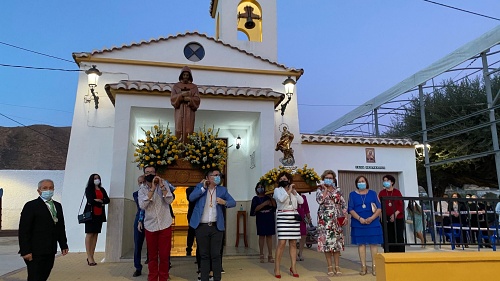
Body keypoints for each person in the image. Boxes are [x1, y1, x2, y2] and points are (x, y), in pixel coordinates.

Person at [189, 169, 236, 281]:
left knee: (216, 255)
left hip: (216, 227)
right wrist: (203, 188)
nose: (217, 177)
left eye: (218, 175)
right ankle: (204, 278)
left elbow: (233, 202)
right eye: (215, 175)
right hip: (201, 226)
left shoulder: (222, 190)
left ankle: (217, 278)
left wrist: (224, 202)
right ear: (208, 177)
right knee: (204, 255)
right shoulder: (200, 187)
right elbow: (191, 198)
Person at [18, 179, 69, 281]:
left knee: (44, 275)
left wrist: (63, 244)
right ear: (39, 191)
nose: (48, 190)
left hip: (50, 249)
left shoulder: (57, 206)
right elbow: (24, 230)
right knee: (35, 277)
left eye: (50, 188)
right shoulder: (31, 206)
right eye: (45, 188)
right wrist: (25, 251)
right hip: (35, 250)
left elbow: (60, 227)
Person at [138, 166, 175, 281]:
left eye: (152, 172)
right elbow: (143, 206)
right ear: (144, 175)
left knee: (164, 255)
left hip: (165, 224)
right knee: (152, 256)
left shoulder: (164, 185)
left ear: (156, 174)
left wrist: (162, 186)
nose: (150, 174)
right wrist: (152, 189)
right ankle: (153, 278)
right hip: (150, 225)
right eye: (147, 172)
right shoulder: (142, 190)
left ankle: (163, 277)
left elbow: (169, 200)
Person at [348, 176, 382, 276]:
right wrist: (360, 218)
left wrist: (371, 218)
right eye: (359, 182)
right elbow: (350, 209)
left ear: (366, 182)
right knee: (361, 244)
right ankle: (363, 266)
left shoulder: (373, 193)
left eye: (363, 181)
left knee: (373, 244)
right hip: (358, 223)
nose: (361, 183)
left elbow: (379, 208)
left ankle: (374, 266)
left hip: (373, 222)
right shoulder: (352, 194)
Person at [316, 170, 347, 277]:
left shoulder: (337, 191)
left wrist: (345, 216)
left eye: (331, 177)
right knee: (327, 244)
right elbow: (320, 201)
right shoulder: (319, 190)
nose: (329, 179)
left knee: (336, 243)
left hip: (336, 219)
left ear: (334, 179)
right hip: (324, 220)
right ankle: (329, 266)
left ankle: (337, 266)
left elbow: (343, 204)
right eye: (327, 177)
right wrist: (325, 190)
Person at [273, 171, 303, 278]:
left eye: (285, 179)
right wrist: (288, 191)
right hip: (282, 216)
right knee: (281, 243)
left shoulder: (293, 191)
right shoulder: (277, 190)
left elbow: (301, 201)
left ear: (289, 180)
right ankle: (277, 267)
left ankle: (293, 267)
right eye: (281, 179)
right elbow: (281, 200)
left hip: (293, 216)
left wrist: (294, 192)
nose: (283, 181)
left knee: (293, 243)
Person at [84, 173, 110, 266]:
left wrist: (100, 201)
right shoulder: (89, 189)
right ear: (92, 179)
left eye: (98, 178)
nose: (97, 179)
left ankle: (92, 255)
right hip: (91, 214)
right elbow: (90, 200)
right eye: (95, 178)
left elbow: (107, 200)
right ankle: (89, 256)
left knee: (95, 234)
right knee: (90, 233)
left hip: (100, 214)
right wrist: (100, 202)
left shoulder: (102, 189)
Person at [171, 66, 201, 143]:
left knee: (189, 130)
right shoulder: (176, 86)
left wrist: (190, 99)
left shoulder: (194, 87)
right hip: (179, 111)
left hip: (189, 112)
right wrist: (181, 96)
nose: (185, 77)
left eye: (187, 75)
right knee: (178, 130)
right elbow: (172, 99)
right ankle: (178, 150)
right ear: (181, 75)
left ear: (189, 76)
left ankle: (189, 150)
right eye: (184, 75)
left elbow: (197, 99)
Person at [250, 181, 276, 264]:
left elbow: (274, 206)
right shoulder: (255, 198)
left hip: (269, 217)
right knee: (261, 236)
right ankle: (261, 254)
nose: (260, 188)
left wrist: (271, 197)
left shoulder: (269, 197)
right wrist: (264, 204)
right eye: (259, 187)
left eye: (262, 187)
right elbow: (255, 209)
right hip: (261, 217)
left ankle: (270, 255)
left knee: (269, 236)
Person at [378, 175, 405, 253]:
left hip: (398, 217)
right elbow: (379, 205)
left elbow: (401, 204)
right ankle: (389, 253)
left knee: (399, 236)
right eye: (384, 181)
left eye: (387, 180)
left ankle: (400, 254)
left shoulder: (397, 192)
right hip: (386, 218)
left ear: (392, 182)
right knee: (388, 237)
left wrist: (396, 213)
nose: (385, 182)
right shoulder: (382, 193)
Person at [132, 175, 146, 277]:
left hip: (151, 220)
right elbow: (141, 205)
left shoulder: (153, 192)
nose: (141, 184)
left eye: (143, 182)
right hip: (139, 220)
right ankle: (137, 267)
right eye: (139, 182)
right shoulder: (136, 194)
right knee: (138, 244)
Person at [297, 192, 311, 262]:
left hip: (302, 219)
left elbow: (306, 208)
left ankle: (300, 253)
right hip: (294, 219)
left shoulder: (304, 197)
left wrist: (309, 218)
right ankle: (294, 254)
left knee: (303, 235)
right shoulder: (291, 195)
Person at [186, 185, 196, 256]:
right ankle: (189, 248)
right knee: (191, 232)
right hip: (192, 214)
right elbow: (190, 198)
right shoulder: (189, 190)